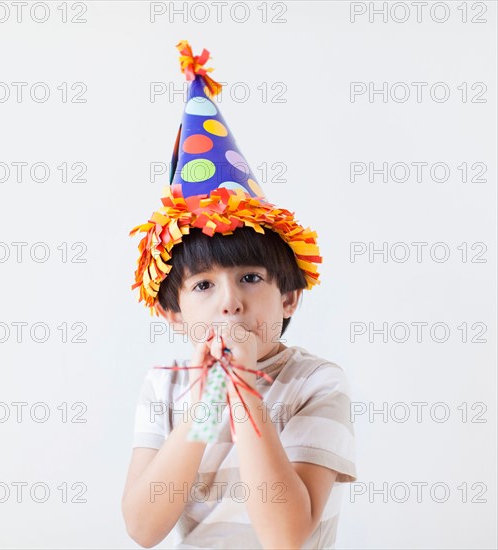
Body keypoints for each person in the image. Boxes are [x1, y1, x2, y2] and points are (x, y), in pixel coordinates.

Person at [122, 40, 357, 549]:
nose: (229, 302)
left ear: (289, 297)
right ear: (173, 314)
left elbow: (287, 536)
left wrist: (245, 387)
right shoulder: (164, 387)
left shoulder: (316, 383)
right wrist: (207, 398)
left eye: (251, 278)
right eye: (204, 285)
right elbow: (143, 530)